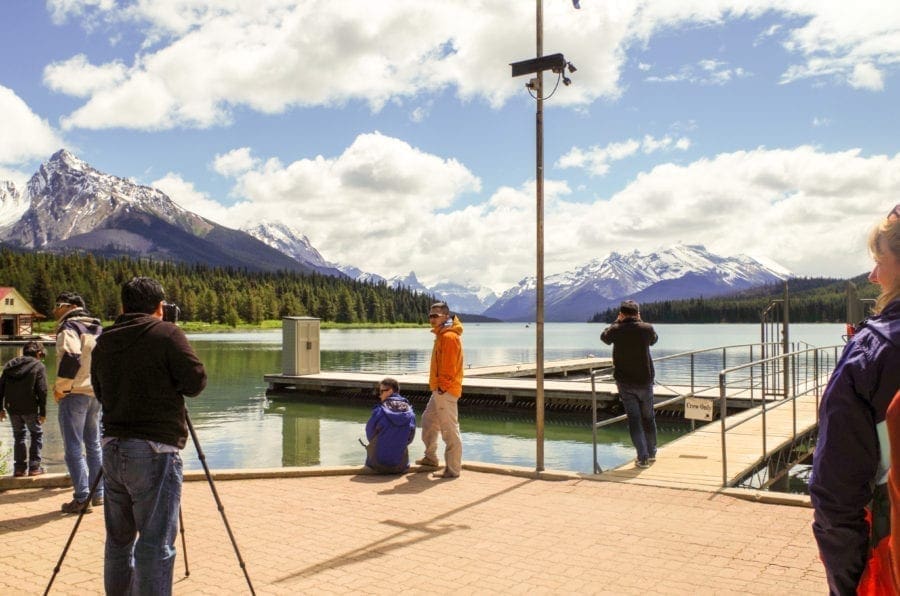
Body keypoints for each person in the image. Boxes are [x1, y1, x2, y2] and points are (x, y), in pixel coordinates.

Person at [91, 276, 207, 595]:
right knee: (155, 545)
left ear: (123, 306)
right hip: (155, 451)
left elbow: (100, 392)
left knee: (118, 541)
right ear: (159, 307)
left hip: (112, 450)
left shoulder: (105, 340)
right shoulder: (167, 333)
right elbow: (196, 382)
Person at [810, 204, 900, 595]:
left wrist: (846, 581)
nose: (873, 275)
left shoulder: (874, 351)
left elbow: (836, 488)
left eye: (880, 260)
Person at [53, 291, 104, 513]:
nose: (54, 310)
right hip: (95, 393)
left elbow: (71, 357)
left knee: (73, 446)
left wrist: (60, 388)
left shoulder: (69, 328)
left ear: (70, 306)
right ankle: (98, 493)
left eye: (58, 305)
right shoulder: (97, 328)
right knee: (93, 444)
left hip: (74, 393)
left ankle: (82, 497)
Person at [600, 300, 659, 469]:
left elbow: (604, 337)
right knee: (649, 417)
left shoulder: (616, 329)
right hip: (645, 380)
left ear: (622, 314)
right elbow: (654, 340)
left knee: (634, 420)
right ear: (637, 313)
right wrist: (640, 322)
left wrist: (616, 322)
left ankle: (642, 457)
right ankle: (652, 451)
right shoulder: (647, 328)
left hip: (625, 382)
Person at [416, 301, 464, 478]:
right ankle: (431, 458)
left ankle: (452, 469)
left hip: (446, 390)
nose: (431, 318)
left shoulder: (449, 337)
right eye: (430, 315)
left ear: (446, 316)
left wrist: (442, 387)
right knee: (428, 420)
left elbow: (449, 367)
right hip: (439, 389)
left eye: (435, 315)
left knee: (449, 429)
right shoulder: (441, 335)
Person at [0, 341, 48, 477]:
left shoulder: (10, 365)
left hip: (12, 407)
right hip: (30, 407)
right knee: (36, 434)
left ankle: (19, 469)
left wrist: (0, 408)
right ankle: (34, 467)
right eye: (42, 355)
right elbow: (42, 390)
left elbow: (0, 387)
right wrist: (43, 412)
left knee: (19, 435)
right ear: (38, 353)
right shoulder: (38, 365)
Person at [363, 377, 416, 473]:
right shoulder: (410, 412)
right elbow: (410, 438)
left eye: (381, 391)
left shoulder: (379, 411)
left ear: (390, 391)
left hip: (376, 465)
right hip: (401, 466)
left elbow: (369, 433)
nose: (379, 395)